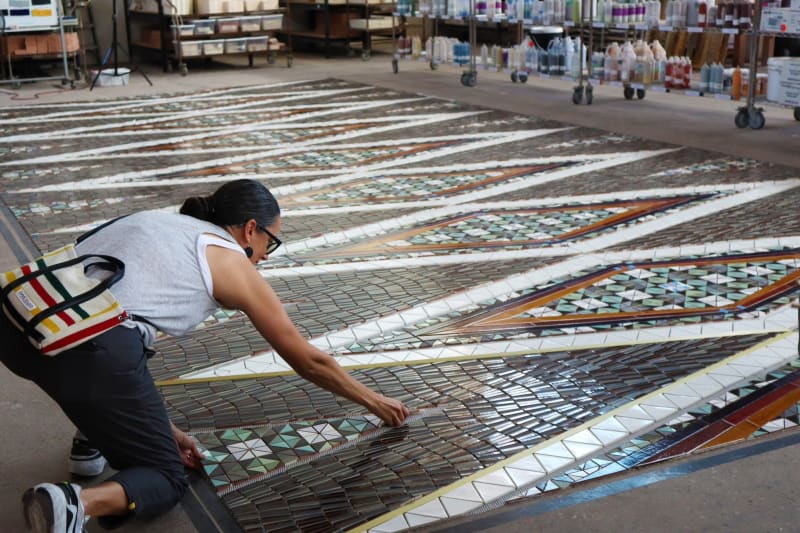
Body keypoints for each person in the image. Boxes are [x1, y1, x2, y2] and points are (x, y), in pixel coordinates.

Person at [0, 179, 409, 532]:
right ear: (251, 229)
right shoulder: (232, 263)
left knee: (128, 346)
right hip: (88, 351)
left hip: (20, 327)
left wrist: (164, 428)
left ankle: (90, 442)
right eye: (272, 241)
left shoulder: (156, 220)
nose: (267, 254)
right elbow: (307, 359)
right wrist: (375, 402)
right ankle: (72, 506)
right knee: (165, 476)